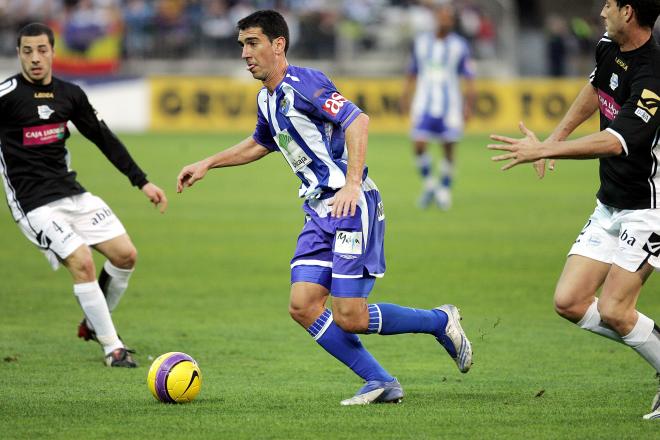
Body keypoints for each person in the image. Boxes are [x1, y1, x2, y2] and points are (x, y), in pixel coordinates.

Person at [177, 10, 473, 405]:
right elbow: (260, 143)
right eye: (242, 45)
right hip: (318, 211)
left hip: (350, 204)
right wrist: (207, 163)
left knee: (350, 315)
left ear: (277, 44)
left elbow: (358, 121)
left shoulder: (306, 82)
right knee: (302, 306)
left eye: (252, 43)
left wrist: (351, 184)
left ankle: (440, 321)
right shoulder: (267, 99)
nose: (245, 54)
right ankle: (380, 381)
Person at [488, 0, 660, 420]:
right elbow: (596, 88)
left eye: (608, 4)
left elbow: (617, 141)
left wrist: (550, 150)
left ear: (629, 12)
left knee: (618, 309)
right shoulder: (608, 45)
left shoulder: (654, 75)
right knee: (570, 301)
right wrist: (558, 133)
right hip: (610, 201)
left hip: (648, 206)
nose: (601, 11)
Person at [0, 23, 168, 368]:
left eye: (42, 50)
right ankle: (113, 348)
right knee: (83, 262)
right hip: (33, 205)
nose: (35, 58)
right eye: (27, 51)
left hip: (72, 193)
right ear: (18, 54)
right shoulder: (5, 96)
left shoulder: (70, 94)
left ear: (53, 52)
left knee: (125, 255)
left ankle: (94, 322)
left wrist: (143, 182)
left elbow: (102, 137)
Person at [401, 0, 475, 210]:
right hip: (424, 102)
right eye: (442, 16)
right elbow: (412, 71)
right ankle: (430, 185)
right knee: (419, 145)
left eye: (449, 17)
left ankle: (444, 189)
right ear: (436, 18)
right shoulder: (422, 43)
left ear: (452, 21)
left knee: (449, 148)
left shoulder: (459, 46)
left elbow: (469, 77)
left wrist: (469, 104)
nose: (445, 20)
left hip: (450, 105)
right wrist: (405, 95)